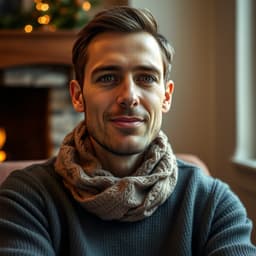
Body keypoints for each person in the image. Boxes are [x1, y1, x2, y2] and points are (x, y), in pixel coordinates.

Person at [0, 6, 255, 256]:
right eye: (108, 78)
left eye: (146, 78)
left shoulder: (212, 203)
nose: (129, 97)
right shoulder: (26, 199)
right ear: (78, 96)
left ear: (166, 97)